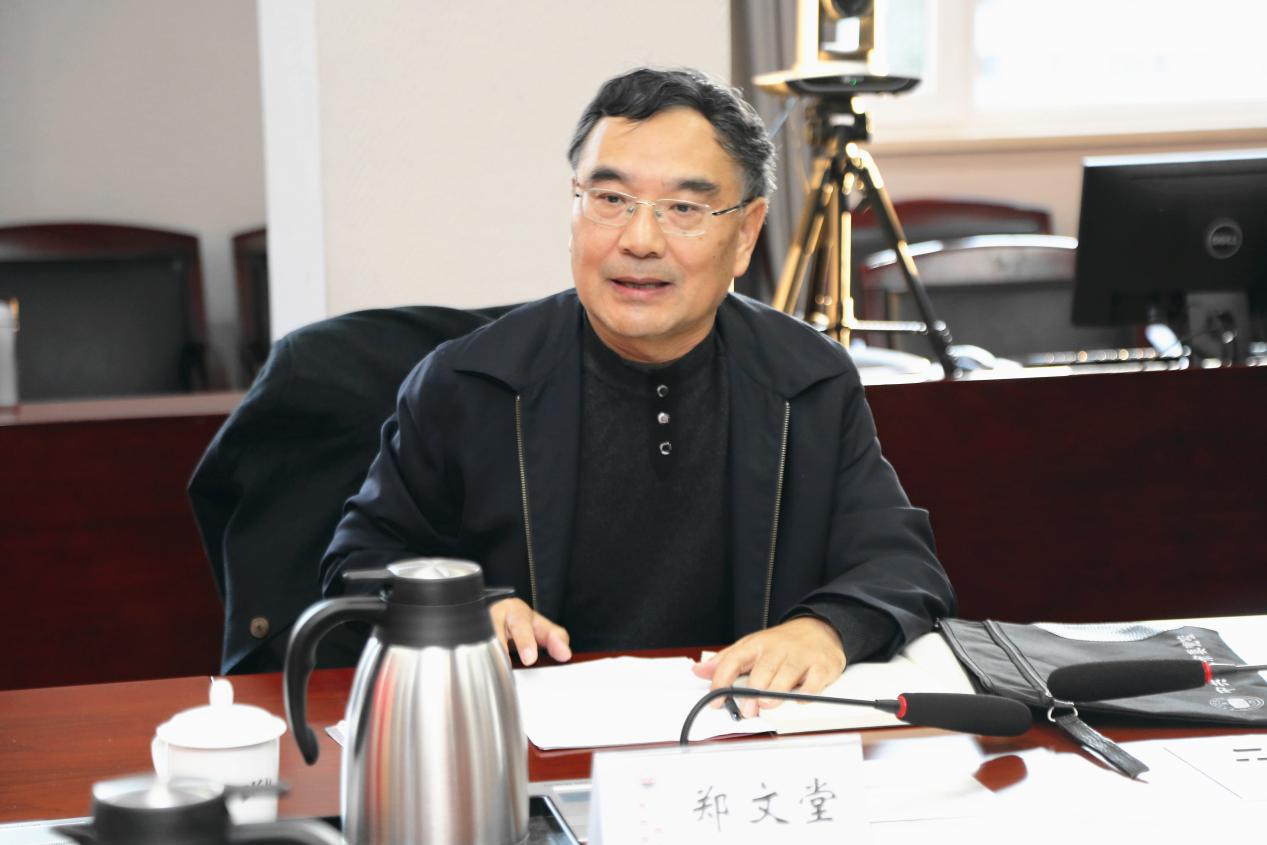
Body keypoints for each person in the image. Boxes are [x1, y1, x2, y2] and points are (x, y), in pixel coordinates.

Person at [322, 67, 954, 717]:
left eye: (683, 208)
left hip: (739, 735)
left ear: (744, 233)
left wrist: (822, 630)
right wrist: (463, 608)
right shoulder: (467, 383)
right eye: (609, 199)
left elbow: (899, 564)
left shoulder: (808, 379)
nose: (639, 240)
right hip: (528, 745)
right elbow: (359, 564)